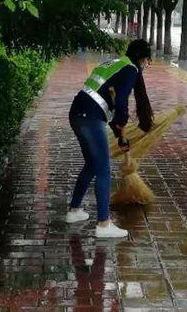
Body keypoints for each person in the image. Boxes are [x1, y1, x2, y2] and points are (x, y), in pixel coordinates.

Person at [66, 39, 154, 238]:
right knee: (103, 169)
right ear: (141, 59)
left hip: (77, 114)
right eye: (147, 60)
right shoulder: (131, 69)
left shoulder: (115, 63)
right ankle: (104, 224)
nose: (147, 65)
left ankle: (74, 210)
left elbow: (109, 99)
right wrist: (122, 122)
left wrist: (119, 134)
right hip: (90, 117)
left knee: (92, 164)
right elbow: (121, 101)